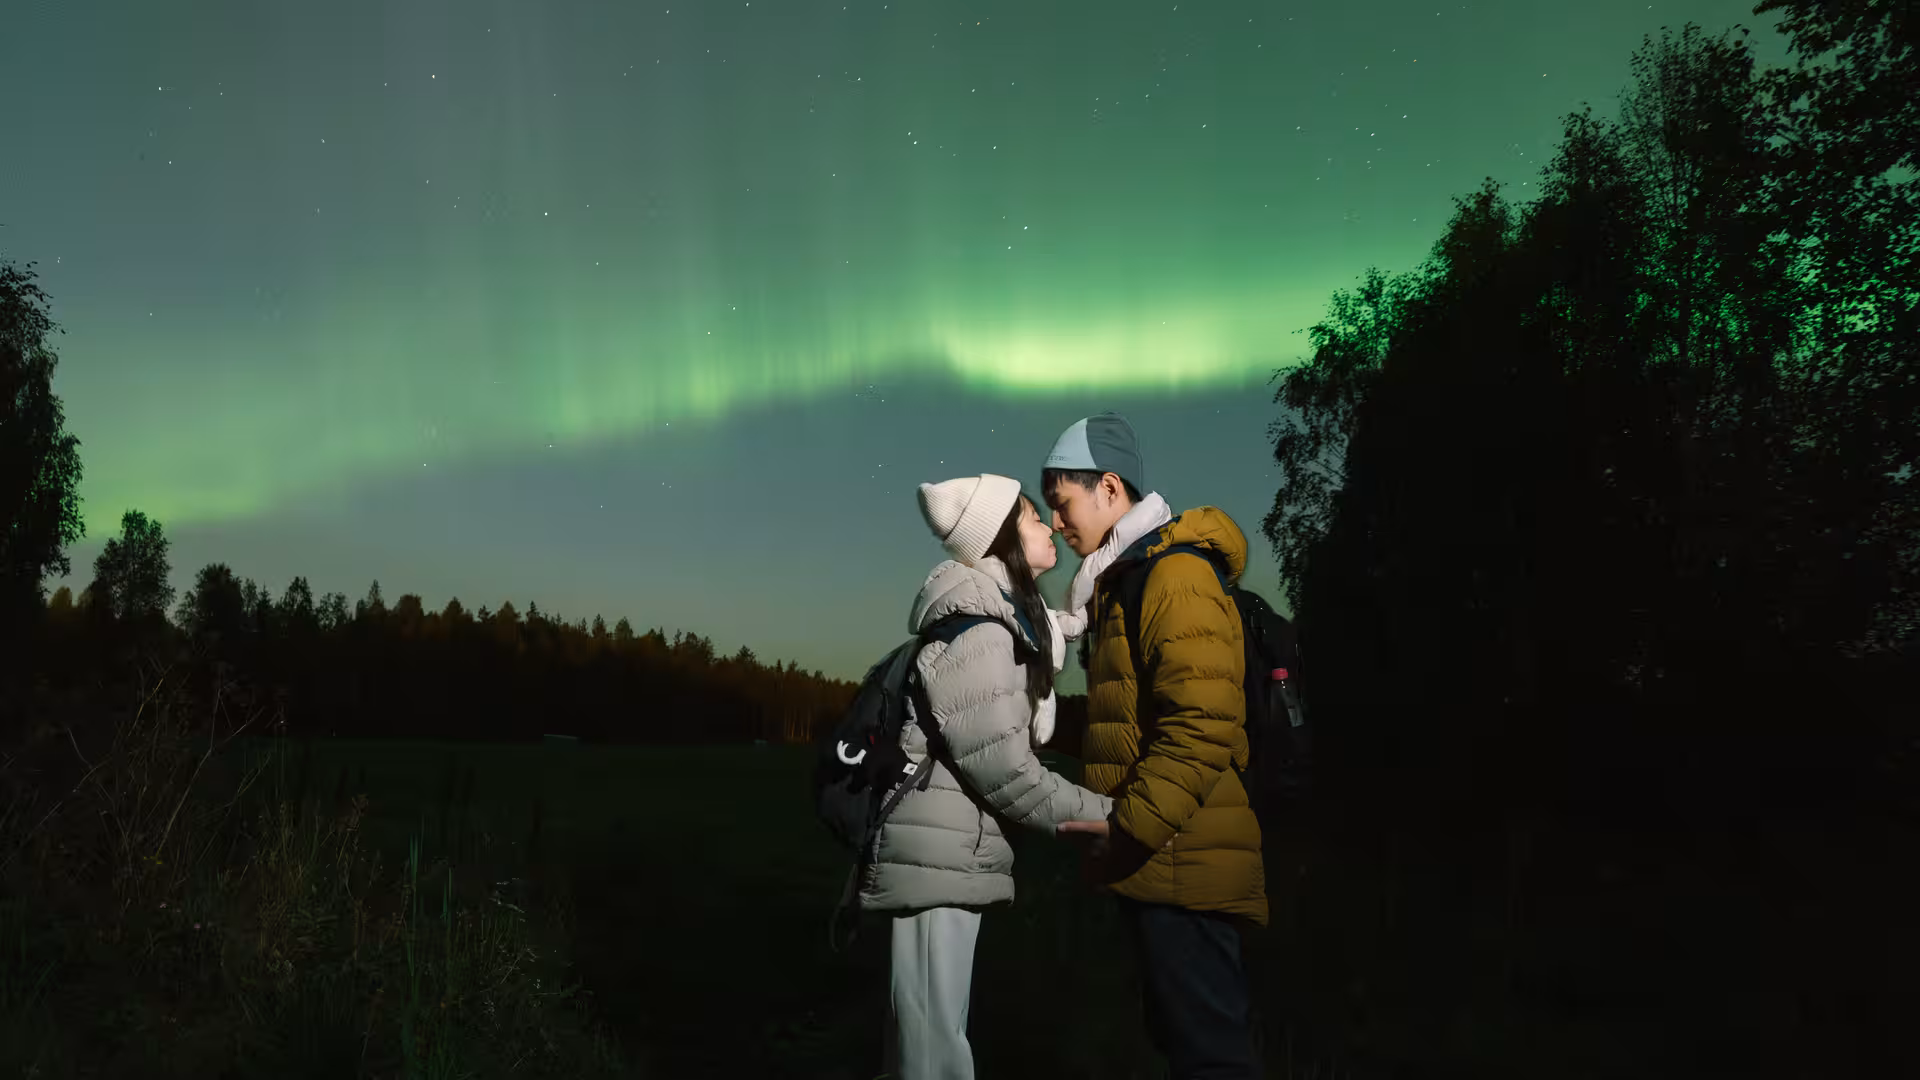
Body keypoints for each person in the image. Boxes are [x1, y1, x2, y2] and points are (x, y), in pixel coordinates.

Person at [860, 472, 1114, 1080]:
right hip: (932, 868)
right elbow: (1010, 773)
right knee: (931, 1050)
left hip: (944, 859)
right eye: (1031, 518)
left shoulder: (992, 618)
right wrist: (1110, 816)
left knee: (927, 1040)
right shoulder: (977, 634)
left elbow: (1054, 626)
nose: (1050, 524)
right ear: (1000, 542)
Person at [1042, 412, 1266, 1080]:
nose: (1057, 524)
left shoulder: (1172, 576)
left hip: (1181, 863)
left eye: (1063, 504)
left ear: (1109, 488)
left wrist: (1129, 829)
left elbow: (1203, 725)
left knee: (1211, 1059)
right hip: (1161, 863)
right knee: (1184, 1048)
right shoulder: (1124, 581)